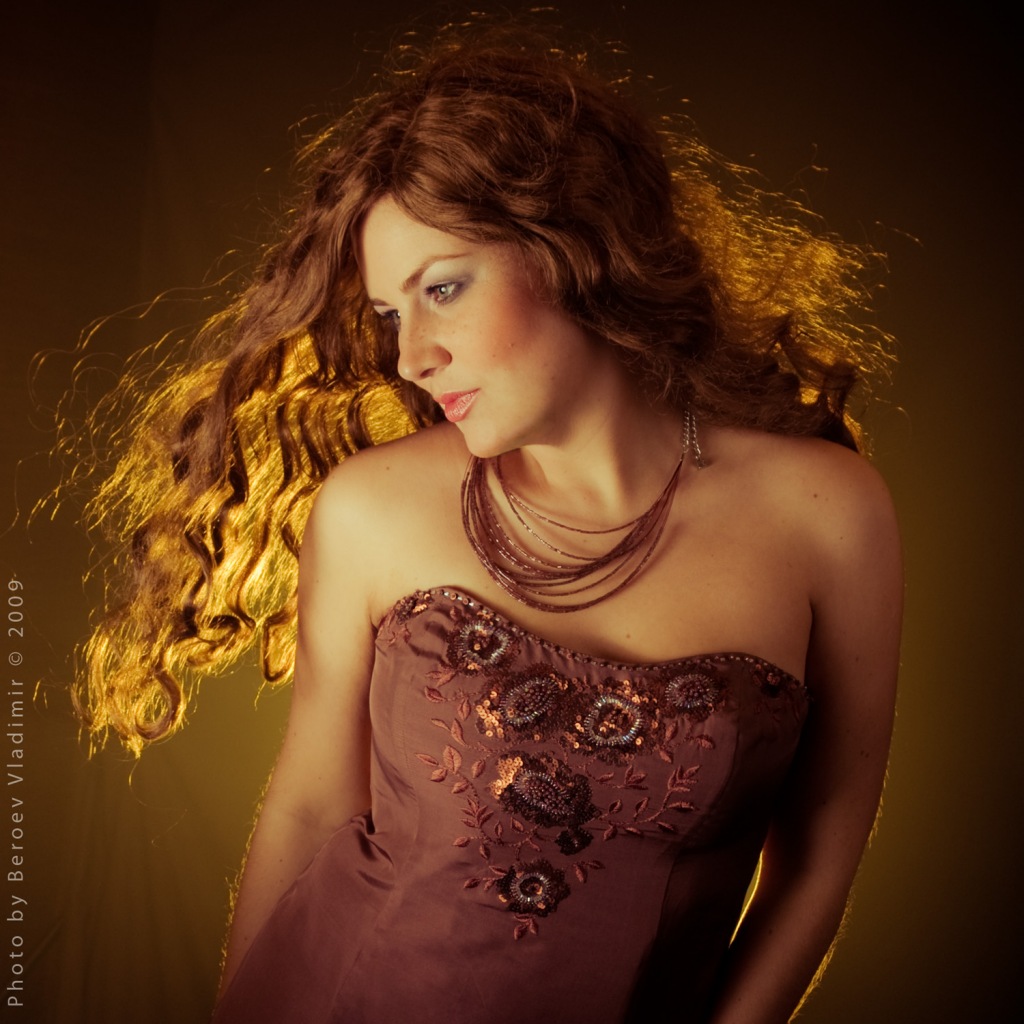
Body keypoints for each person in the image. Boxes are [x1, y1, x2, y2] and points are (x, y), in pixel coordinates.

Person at [75, 20, 901, 1024]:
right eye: (391, 313)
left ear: (575, 249)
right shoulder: (371, 511)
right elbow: (309, 810)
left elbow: (816, 862)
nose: (410, 355)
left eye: (443, 289)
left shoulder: (825, 515)